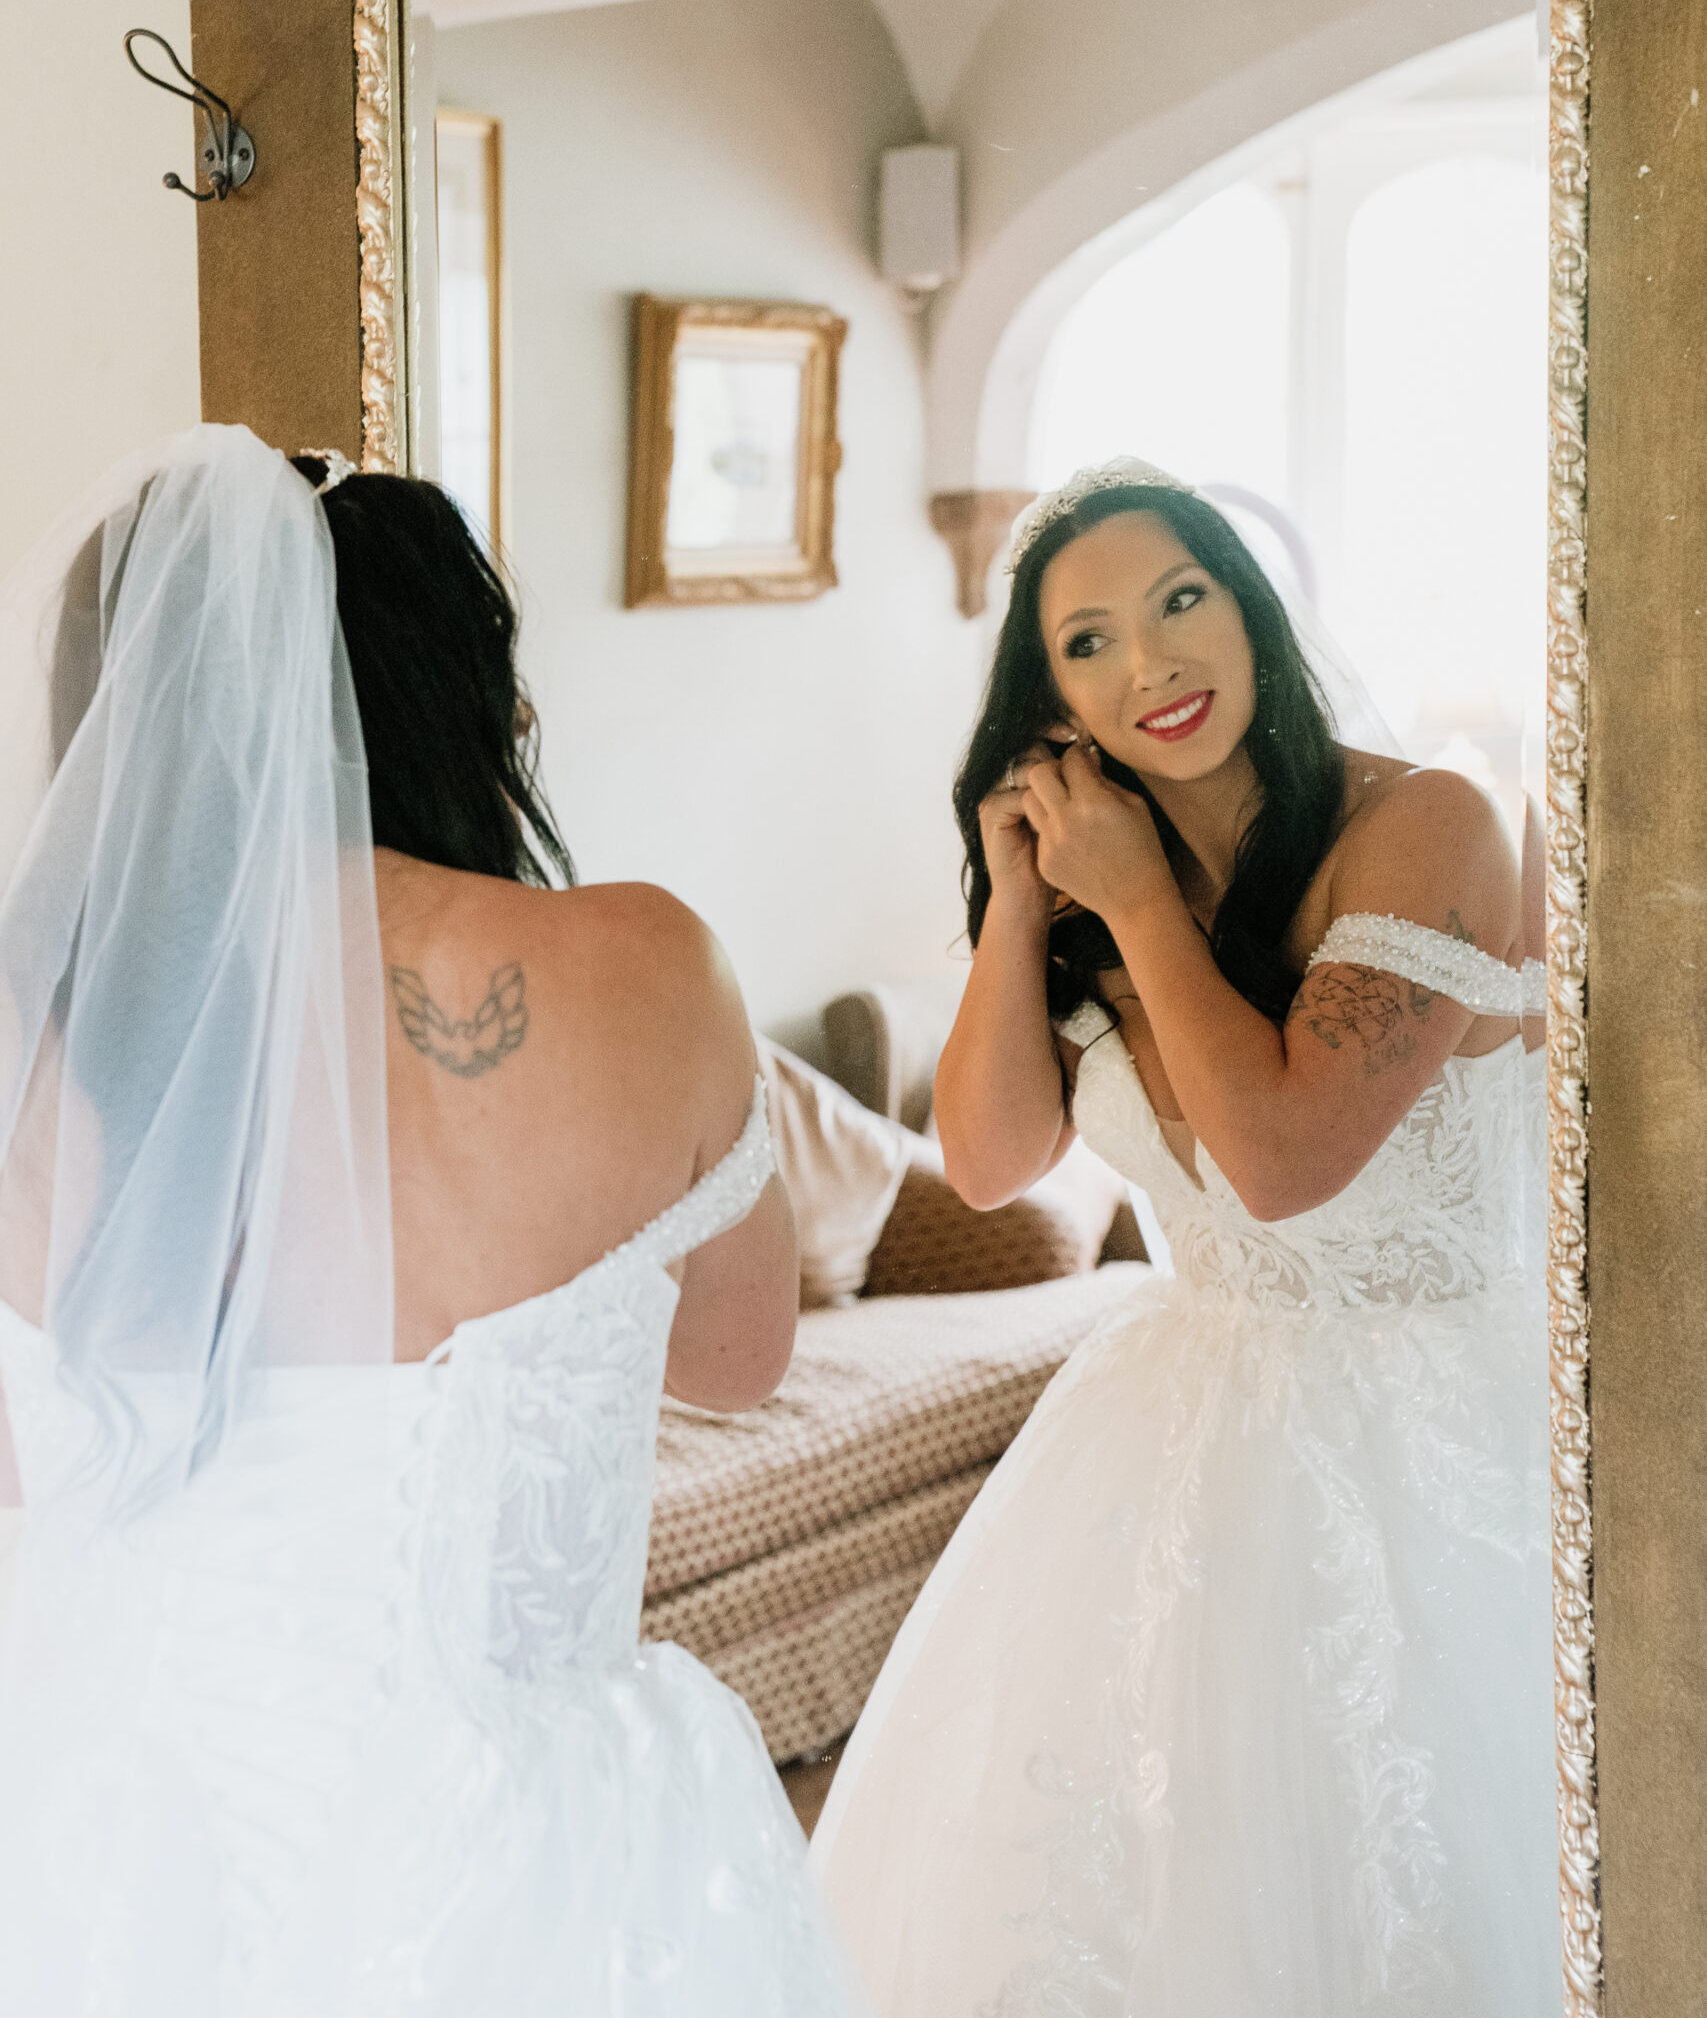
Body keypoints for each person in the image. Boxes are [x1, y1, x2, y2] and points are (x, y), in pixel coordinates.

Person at [0, 425, 859, 2017]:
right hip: (511, 1856)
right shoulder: (649, 963)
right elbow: (740, 1357)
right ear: (466, 692)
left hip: (126, 1838)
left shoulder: (36, 1041)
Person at [812, 457, 1558, 2017]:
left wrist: (1146, 908)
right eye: (1088, 641)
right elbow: (993, 1156)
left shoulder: (1428, 826)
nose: (1149, 663)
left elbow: (1287, 1163)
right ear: (1051, 699)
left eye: (1179, 601)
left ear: (1251, 609)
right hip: (1175, 1441)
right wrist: (1024, 905)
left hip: (1434, 1445)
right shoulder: (1086, 881)